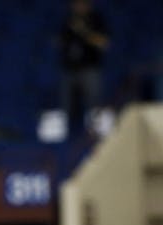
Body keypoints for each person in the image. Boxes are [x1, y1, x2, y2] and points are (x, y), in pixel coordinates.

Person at [58, 0, 109, 136]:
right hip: (70, 69)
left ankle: (96, 134)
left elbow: (103, 43)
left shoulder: (96, 20)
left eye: (82, 3)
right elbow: (60, 41)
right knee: (67, 105)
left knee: (93, 103)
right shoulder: (68, 20)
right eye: (76, 4)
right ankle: (69, 135)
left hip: (90, 68)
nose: (78, 6)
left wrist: (84, 32)